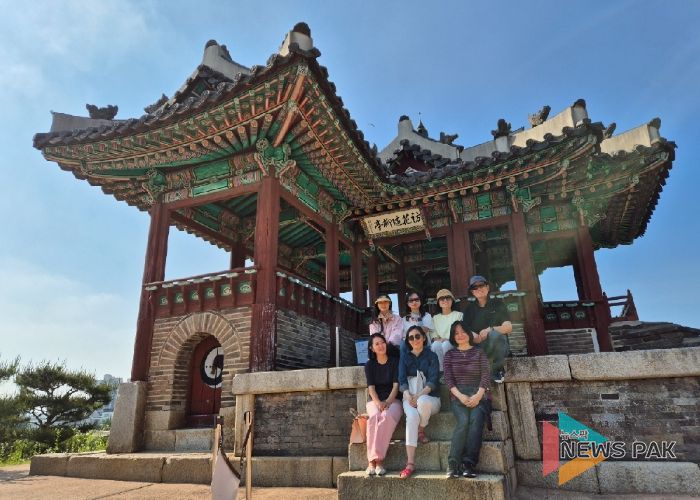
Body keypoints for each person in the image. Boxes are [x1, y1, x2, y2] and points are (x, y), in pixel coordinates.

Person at [443, 321, 491, 478]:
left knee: (476, 421)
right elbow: (448, 379)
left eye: (463, 331)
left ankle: (468, 464)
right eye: (456, 333)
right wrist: (461, 396)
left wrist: (478, 396)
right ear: (453, 337)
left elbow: (485, 375)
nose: (460, 335)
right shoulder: (449, 355)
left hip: (479, 394)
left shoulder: (479, 352)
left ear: (469, 334)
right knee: (463, 421)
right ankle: (453, 464)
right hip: (458, 395)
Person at [398, 325, 441, 479]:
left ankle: (421, 429)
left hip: (430, 398)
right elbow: (402, 380)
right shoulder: (404, 357)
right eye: (411, 337)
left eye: (417, 336)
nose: (415, 339)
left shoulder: (432, 356)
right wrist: (408, 395)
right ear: (408, 341)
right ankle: (410, 463)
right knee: (412, 417)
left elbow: (433, 380)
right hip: (409, 396)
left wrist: (419, 395)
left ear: (423, 338)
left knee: (422, 401)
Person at [459, 276, 512, 383]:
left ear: (487, 287)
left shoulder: (498, 304)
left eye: (481, 285)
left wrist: (490, 329)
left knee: (494, 334)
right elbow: (466, 331)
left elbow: (508, 327)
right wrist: (474, 336)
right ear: (472, 292)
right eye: (475, 287)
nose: (479, 289)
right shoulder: (469, 309)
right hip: (480, 347)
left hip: (498, 347)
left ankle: (497, 369)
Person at [364, 333, 402, 476]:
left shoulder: (395, 362)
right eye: (377, 344)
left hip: (393, 400)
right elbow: (371, 388)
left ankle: (378, 460)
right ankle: (371, 462)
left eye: (382, 342)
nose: (381, 346)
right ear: (372, 348)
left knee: (386, 416)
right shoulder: (369, 365)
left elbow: (396, 386)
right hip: (374, 400)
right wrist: (378, 403)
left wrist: (387, 402)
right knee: (374, 417)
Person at [431, 289, 463, 371]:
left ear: (452, 300)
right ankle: (442, 370)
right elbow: (433, 334)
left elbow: (459, 332)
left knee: (446, 344)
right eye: (442, 299)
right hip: (440, 341)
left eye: (448, 298)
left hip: (454, 342)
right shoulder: (435, 318)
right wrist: (439, 339)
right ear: (438, 302)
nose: (445, 300)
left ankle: (450, 370)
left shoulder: (459, 315)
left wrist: (448, 339)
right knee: (435, 345)